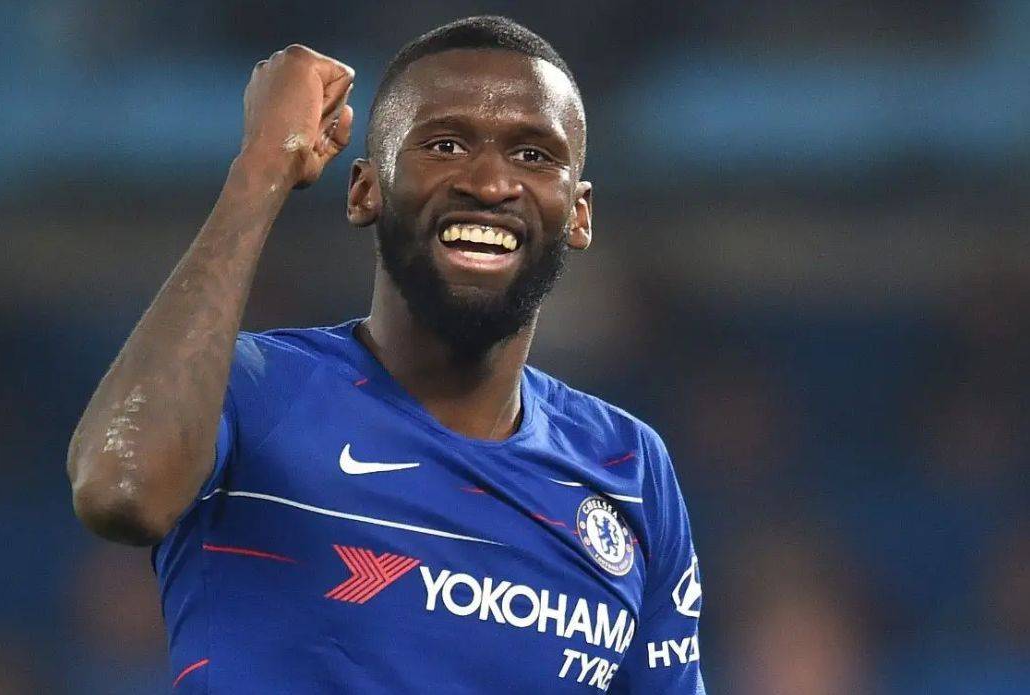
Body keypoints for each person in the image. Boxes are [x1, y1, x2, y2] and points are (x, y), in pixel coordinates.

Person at [67, 15, 704, 693]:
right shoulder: (255, 391)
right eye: (445, 144)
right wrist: (260, 168)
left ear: (578, 214)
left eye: (533, 155)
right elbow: (121, 491)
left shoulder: (628, 469)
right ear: (365, 190)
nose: (490, 183)